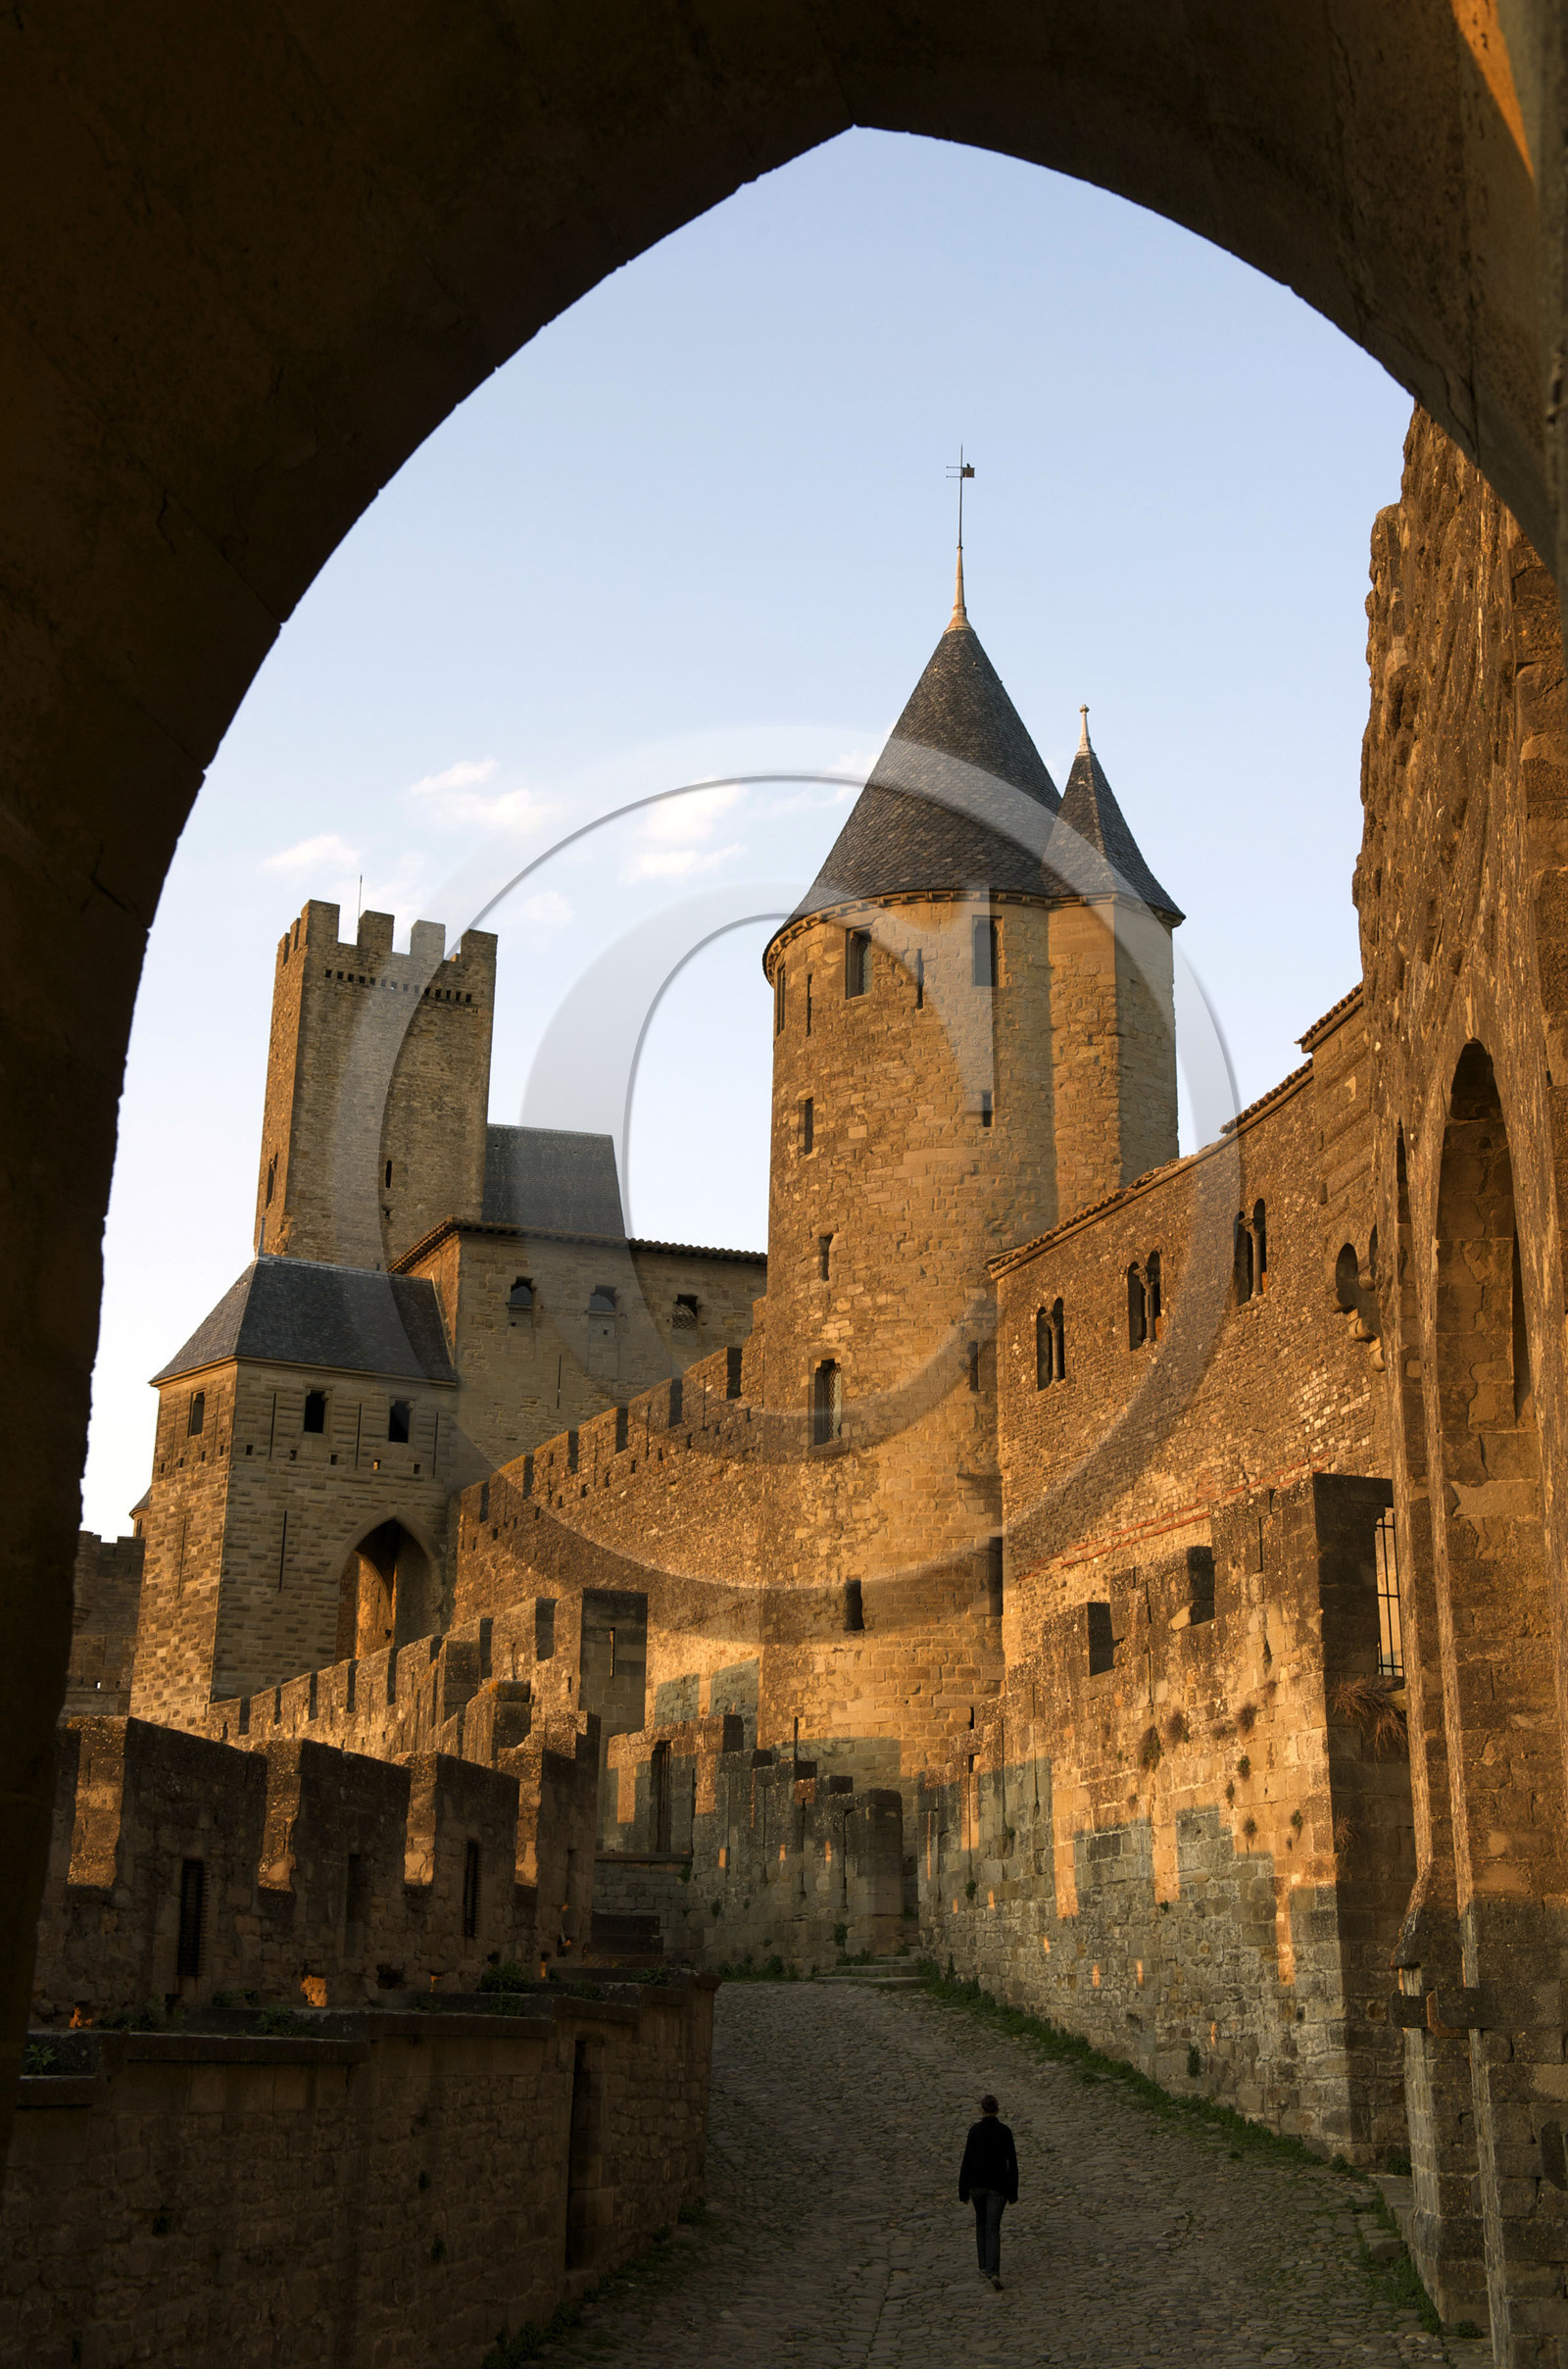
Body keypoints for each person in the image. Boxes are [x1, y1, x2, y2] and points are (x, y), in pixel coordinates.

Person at [957, 2093, 1018, 2291]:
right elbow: (1012, 2163)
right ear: (997, 2110)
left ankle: (983, 2265)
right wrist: (1013, 2192)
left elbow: (967, 2160)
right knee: (993, 2228)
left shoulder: (975, 2131)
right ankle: (993, 2271)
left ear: (981, 2110)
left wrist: (963, 2190)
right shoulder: (1005, 2132)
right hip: (998, 2186)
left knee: (981, 2223)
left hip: (976, 2185)